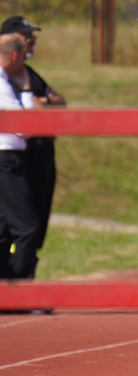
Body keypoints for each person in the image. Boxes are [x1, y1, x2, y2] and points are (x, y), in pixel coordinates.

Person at [0, 15, 65, 253]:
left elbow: (60, 102)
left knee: (33, 229)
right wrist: (38, 105)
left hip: (40, 157)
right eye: (26, 37)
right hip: (17, 159)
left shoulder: (27, 73)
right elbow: (27, 119)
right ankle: (15, 283)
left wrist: (44, 101)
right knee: (21, 228)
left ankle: (22, 282)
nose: (31, 42)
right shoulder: (5, 77)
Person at [0, 33, 39, 279]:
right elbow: (26, 126)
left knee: (3, 229)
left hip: (7, 158)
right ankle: (20, 290)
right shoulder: (2, 84)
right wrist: (26, 89)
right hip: (6, 160)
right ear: (15, 55)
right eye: (24, 57)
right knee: (27, 227)